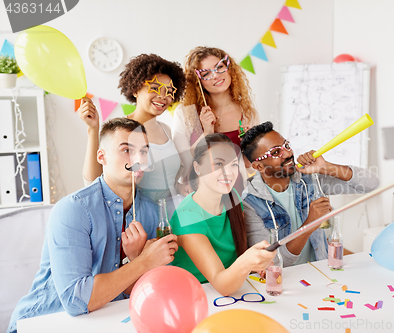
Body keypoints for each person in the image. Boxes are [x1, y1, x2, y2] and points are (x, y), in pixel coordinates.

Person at [7, 118, 178, 333]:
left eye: (143, 151)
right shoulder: (73, 210)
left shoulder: (152, 212)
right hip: (45, 322)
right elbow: (77, 301)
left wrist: (135, 260)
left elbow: (152, 289)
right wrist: (143, 262)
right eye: (127, 150)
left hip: (109, 319)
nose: (138, 159)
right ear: (102, 156)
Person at [240, 121, 380, 267]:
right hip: (286, 280)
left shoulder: (308, 178)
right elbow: (272, 263)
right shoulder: (250, 203)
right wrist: (309, 224)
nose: (288, 154)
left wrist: (325, 167)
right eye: (276, 152)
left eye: (286, 146)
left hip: (320, 269)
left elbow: (371, 184)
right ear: (259, 166)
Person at [170, 133, 275, 296]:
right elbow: (221, 284)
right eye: (218, 164)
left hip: (237, 288)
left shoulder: (233, 197)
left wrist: (259, 263)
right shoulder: (187, 217)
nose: (229, 173)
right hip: (196, 295)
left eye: (233, 165)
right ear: (198, 168)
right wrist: (247, 262)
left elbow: (236, 262)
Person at [78, 54, 186, 212]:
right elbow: (93, 181)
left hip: (169, 216)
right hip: (135, 217)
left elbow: (167, 180)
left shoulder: (166, 130)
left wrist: (181, 187)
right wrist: (92, 129)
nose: (163, 96)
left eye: (169, 91)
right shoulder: (120, 129)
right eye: (155, 88)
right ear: (136, 89)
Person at [172, 46, 260, 194]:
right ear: (197, 81)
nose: (215, 76)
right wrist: (206, 132)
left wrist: (249, 146)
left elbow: (250, 166)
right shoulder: (185, 114)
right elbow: (183, 164)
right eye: (206, 73)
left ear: (229, 69)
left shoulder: (248, 113)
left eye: (219, 67)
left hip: (237, 193)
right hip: (199, 195)